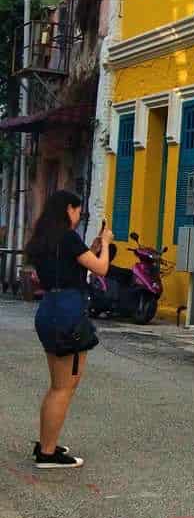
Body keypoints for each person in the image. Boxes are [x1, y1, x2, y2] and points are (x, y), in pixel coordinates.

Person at [25, 190, 111, 469]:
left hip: (50, 308)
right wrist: (106, 244)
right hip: (68, 313)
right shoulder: (67, 237)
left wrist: (94, 246)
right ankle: (48, 453)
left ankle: (47, 443)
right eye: (77, 210)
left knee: (57, 386)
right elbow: (100, 268)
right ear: (68, 210)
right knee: (65, 386)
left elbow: (75, 265)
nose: (79, 215)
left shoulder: (44, 240)